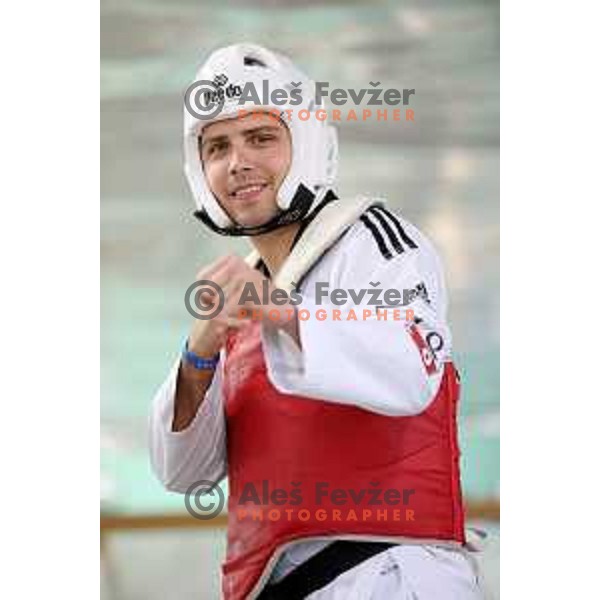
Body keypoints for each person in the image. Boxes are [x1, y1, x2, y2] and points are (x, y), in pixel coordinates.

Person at [149, 43, 483, 599]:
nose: (237, 163)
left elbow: (411, 370)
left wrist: (277, 312)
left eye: (261, 138)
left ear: (305, 144)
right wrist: (199, 350)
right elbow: (183, 473)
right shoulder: (239, 291)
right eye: (217, 147)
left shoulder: (373, 239)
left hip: (388, 576)